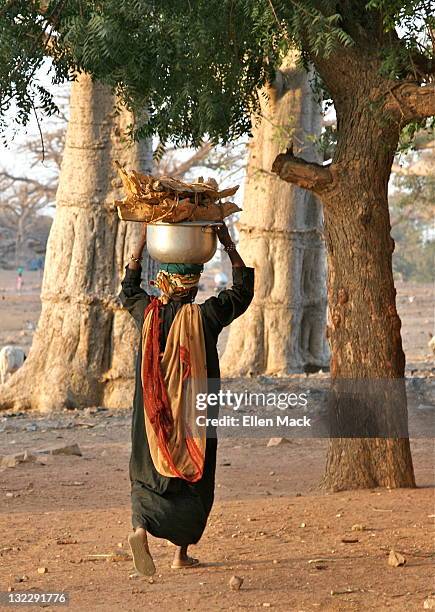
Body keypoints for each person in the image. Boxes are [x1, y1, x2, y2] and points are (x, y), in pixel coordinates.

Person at [119, 222, 254, 576]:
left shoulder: (147, 314)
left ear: (163, 281)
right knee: (193, 478)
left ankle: (139, 530)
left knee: (148, 471)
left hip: (151, 414)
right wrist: (226, 243)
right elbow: (242, 292)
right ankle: (180, 555)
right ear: (192, 285)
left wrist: (139, 245)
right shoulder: (205, 317)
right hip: (195, 414)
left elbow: (127, 291)